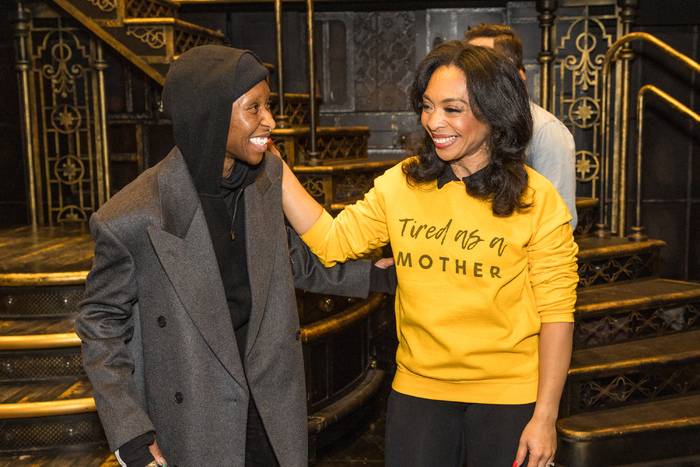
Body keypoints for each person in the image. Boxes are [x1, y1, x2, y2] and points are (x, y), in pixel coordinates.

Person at [75, 45, 382, 467]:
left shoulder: (265, 178)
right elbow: (100, 324)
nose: (270, 121)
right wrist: (130, 431)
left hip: (270, 403)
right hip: (198, 413)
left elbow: (289, 258)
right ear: (210, 114)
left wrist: (377, 276)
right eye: (253, 107)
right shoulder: (133, 216)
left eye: (268, 105)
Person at [279, 41, 578, 467]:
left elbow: (557, 313)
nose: (434, 121)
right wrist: (277, 166)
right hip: (419, 391)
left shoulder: (537, 197)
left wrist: (545, 416)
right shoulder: (402, 184)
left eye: (452, 109)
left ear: (494, 114)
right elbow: (332, 241)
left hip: (509, 395)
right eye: (427, 106)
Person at [464, 23, 578, 228]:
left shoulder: (546, 129)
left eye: (479, 61)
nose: (468, 69)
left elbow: (560, 219)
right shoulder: (475, 123)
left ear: (507, 67)